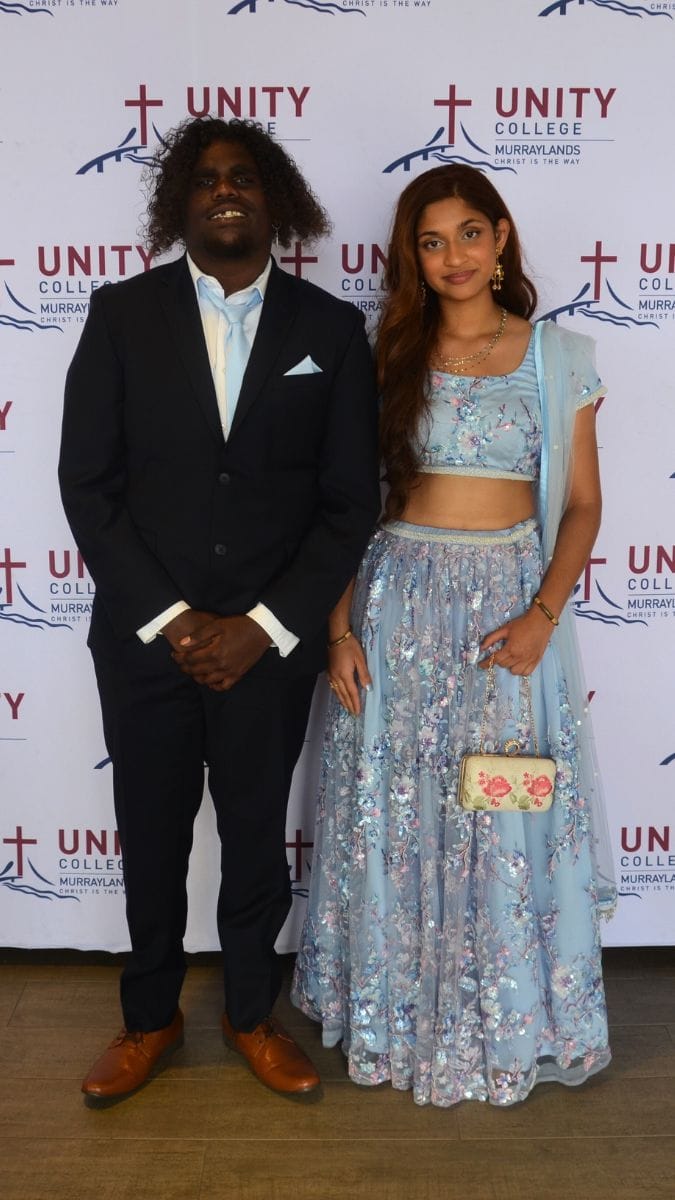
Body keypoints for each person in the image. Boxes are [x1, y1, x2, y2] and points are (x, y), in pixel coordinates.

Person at [58, 117, 379, 1100]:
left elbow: (347, 503)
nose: (225, 189)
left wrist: (263, 629)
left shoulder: (330, 330)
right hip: (147, 645)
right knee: (150, 836)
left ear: (275, 201)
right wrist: (174, 620)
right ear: (180, 204)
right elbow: (88, 485)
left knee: (254, 838)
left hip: (268, 651)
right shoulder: (121, 315)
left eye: (244, 176)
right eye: (205, 179)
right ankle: (148, 1019)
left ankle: (250, 1015)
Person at [292, 164, 616, 1108]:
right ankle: (395, 1016)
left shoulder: (559, 355)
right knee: (393, 815)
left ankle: (506, 1022)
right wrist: (338, 630)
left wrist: (542, 616)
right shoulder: (384, 357)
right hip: (396, 605)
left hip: (507, 611)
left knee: (500, 809)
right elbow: (346, 504)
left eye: (469, 234)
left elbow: (583, 506)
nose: (453, 257)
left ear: (500, 236)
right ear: (413, 259)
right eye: (430, 243)